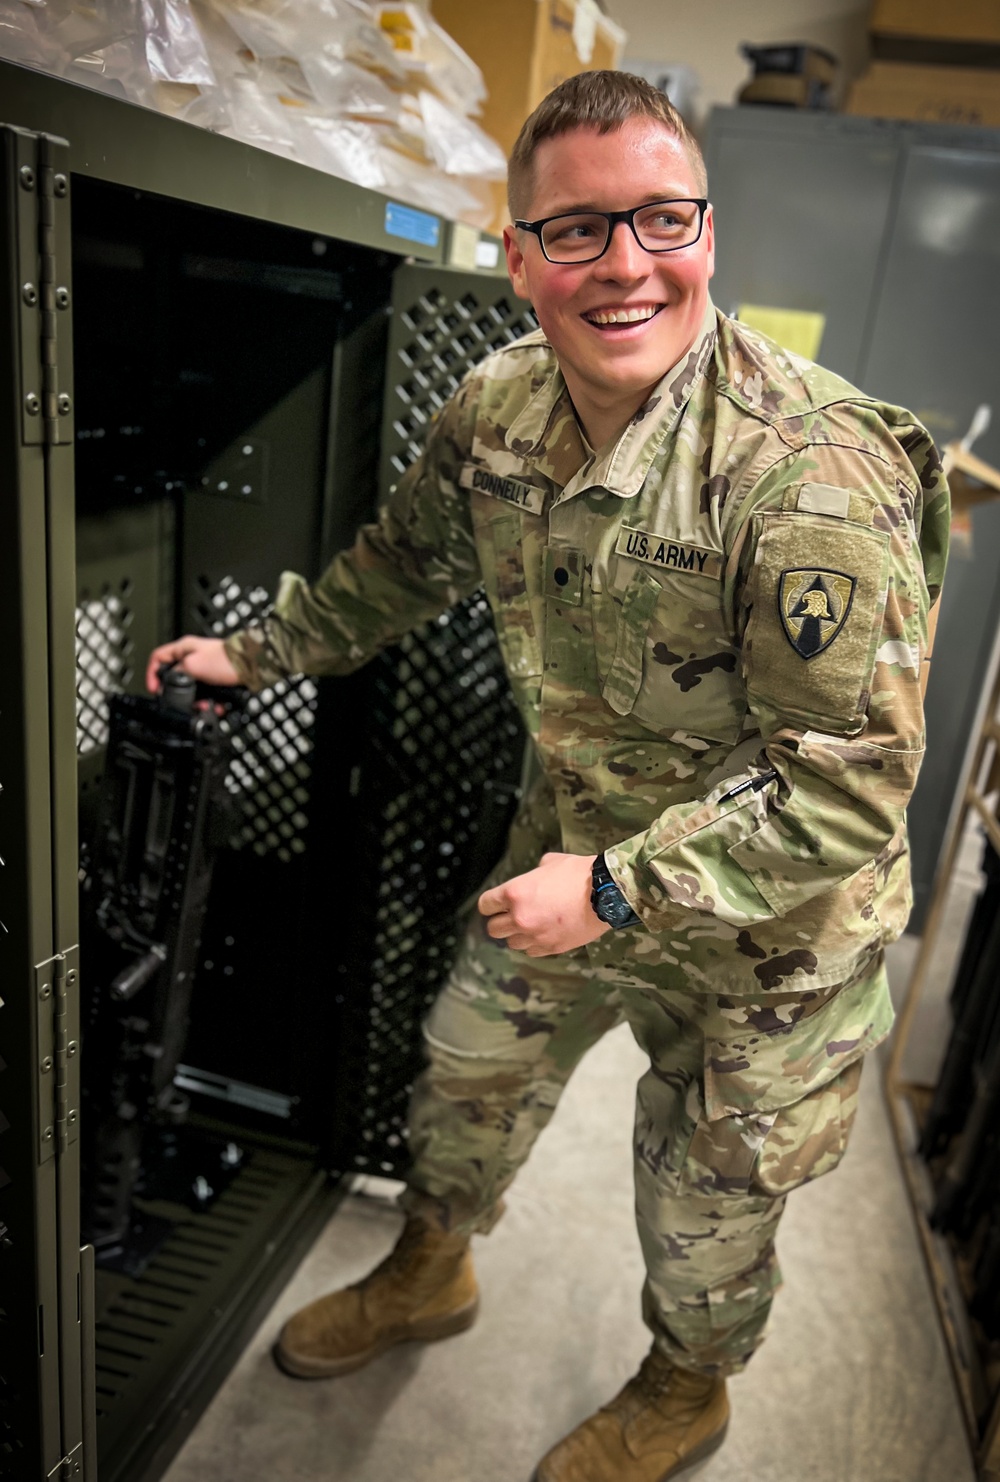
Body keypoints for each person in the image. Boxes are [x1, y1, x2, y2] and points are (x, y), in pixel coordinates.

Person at [147, 70, 949, 1482]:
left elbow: (844, 790)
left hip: (775, 933)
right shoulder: (498, 409)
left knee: (704, 1209)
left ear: (710, 230)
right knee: (466, 1071)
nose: (626, 263)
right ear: (517, 256)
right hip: (576, 853)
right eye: (577, 230)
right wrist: (252, 653)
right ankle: (429, 1271)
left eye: (661, 218)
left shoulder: (810, 471)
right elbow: (398, 571)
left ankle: (682, 1388)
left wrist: (619, 890)